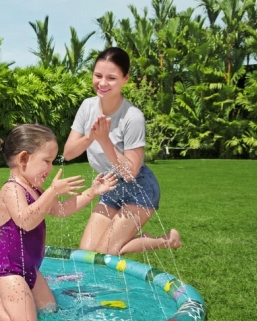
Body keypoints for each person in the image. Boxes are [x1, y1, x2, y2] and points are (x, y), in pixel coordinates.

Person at [0, 124, 118, 321]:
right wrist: (53, 191)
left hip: (30, 268)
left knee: (49, 309)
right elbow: (26, 221)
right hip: (9, 270)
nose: (51, 167)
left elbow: (61, 210)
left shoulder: (35, 189)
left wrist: (93, 191)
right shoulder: (12, 189)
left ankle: (1, 301)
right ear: (23, 159)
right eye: (46, 161)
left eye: (52, 161)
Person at [63, 47, 182, 255]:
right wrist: (91, 136)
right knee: (87, 252)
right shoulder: (87, 107)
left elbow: (130, 174)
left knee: (106, 251)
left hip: (139, 189)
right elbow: (68, 153)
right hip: (109, 186)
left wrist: (104, 140)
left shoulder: (132, 117)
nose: (102, 83)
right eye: (98, 75)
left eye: (111, 78)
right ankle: (154, 240)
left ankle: (164, 240)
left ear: (125, 78)